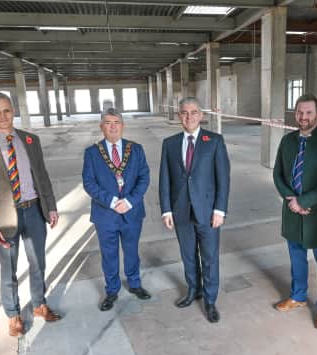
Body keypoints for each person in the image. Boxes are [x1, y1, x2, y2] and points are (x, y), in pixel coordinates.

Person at [0, 92, 61, 337]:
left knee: (38, 262)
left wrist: (51, 206)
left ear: (13, 110)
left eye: (7, 110)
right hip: (3, 220)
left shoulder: (31, 140)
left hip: (34, 211)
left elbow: (42, 176)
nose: (3, 116)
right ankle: (13, 315)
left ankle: (39, 304)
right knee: (8, 268)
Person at [272, 93, 317, 330]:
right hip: (292, 211)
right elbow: (278, 174)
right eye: (300, 112)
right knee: (296, 257)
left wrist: (303, 201)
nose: (304, 117)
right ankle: (298, 296)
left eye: (309, 112)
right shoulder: (288, 141)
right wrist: (291, 199)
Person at [158, 97, 230, 323]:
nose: (189, 117)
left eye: (194, 112)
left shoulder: (214, 141)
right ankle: (193, 290)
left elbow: (223, 179)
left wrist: (220, 210)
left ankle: (210, 300)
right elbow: (164, 179)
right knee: (188, 255)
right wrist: (166, 210)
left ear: (201, 115)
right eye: (184, 112)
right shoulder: (169, 144)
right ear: (179, 115)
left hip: (208, 212)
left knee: (209, 257)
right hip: (181, 211)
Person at [82, 108, 151, 311]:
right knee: (109, 254)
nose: (113, 127)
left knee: (132, 251)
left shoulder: (136, 149)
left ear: (123, 126)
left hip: (132, 211)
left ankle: (135, 284)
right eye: (108, 123)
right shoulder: (92, 153)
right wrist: (112, 202)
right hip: (106, 214)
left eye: (116, 122)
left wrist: (129, 201)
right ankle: (112, 290)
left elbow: (144, 178)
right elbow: (89, 183)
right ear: (101, 126)